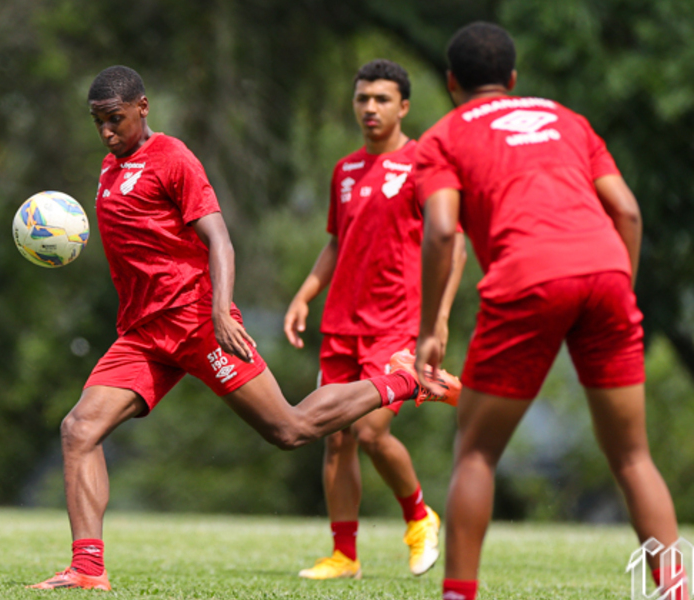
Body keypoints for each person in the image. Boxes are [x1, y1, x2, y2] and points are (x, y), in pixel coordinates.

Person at [29, 65, 461, 591]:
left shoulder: (173, 158)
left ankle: (404, 381)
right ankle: (87, 569)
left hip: (196, 322)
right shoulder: (109, 169)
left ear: (143, 107)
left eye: (114, 119)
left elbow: (220, 240)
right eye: (97, 121)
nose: (106, 131)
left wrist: (220, 309)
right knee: (78, 430)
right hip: (143, 334)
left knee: (290, 429)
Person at [413, 22, 683, 600]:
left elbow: (440, 232)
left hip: (528, 277)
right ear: (512, 80)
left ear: (452, 82)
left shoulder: (442, 137)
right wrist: (618, 289)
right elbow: (628, 213)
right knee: (633, 455)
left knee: (477, 451)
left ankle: (459, 593)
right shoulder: (569, 120)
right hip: (608, 272)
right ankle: (677, 590)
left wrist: (428, 330)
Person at [284, 59, 466, 580]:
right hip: (341, 324)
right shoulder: (343, 170)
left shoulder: (423, 165)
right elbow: (337, 244)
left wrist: (442, 317)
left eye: (382, 99)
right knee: (335, 438)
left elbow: (453, 247)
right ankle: (345, 556)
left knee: (368, 430)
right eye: (362, 98)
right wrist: (305, 295)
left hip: (397, 325)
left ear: (404, 106)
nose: (370, 108)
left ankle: (418, 517)